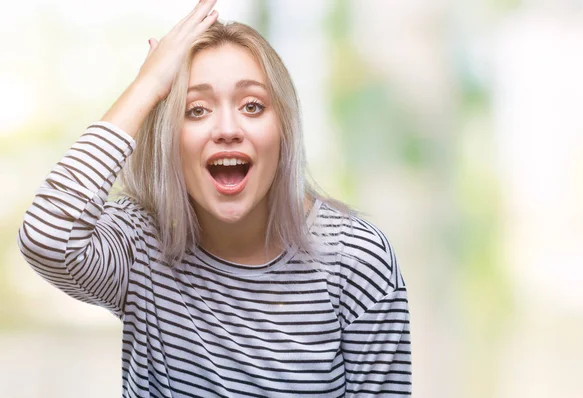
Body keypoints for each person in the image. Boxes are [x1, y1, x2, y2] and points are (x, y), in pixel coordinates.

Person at [17, 0, 412, 396]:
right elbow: (46, 237)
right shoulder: (141, 244)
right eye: (197, 109)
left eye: (252, 106)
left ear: (283, 131)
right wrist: (147, 85)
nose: (226, 128)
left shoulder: (355, 260)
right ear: (171, 139)